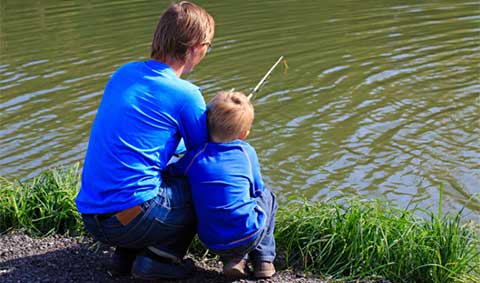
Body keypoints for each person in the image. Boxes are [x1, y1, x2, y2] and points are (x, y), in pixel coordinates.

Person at [75, 1, 214, 280]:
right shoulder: (185, 94)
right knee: (203, 184)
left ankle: (125, 256)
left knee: (150, 178)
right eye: (208, 45)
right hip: (132, 220)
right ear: (194, 47)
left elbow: (146, 138)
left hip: (92, 217)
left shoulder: (123, 74)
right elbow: (207, 156)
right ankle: (160, 260)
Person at [168, 91, 278, 278]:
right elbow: (257, 189)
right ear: (244, 134)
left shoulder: (195, 155)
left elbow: (173, 171)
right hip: (247, 235)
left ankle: (235, 260)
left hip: (211, 239)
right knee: (267, 196)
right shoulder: (246, 152)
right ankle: (264, 260)